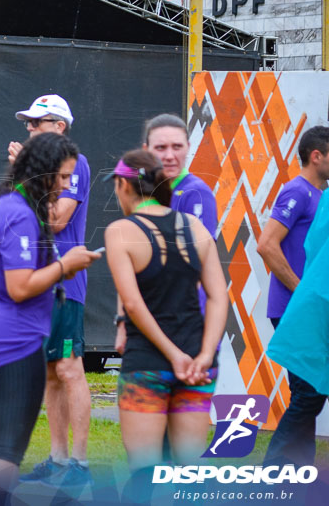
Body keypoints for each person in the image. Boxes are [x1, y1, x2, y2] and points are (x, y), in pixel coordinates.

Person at [0, 132, 99, 493]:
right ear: (45, 172)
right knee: (6, 453)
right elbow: (20, 286)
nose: (69, 186)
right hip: (12, 342)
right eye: (65, 177)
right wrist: (65, 265)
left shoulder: (2, 203)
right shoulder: (20, 213)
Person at [104, 149, 227, 475]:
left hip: (148, 365)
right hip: (197, 365)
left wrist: (173, 356)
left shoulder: (120, 231)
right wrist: (202, 355)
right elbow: (218, 297)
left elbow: (132, 304)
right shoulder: (195, 228)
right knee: (188, 472)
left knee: (145, 474)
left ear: (123, 185)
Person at [6, 95, 94, 487]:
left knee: (69, 368)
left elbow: (57, 220)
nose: (28, 128)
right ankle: (58, 460)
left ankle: (80, 463)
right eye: (28, 122)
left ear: (59, 127)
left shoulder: (74, 164)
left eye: (37, 123)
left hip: (64, 283)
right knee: (48, 373)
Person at [258, 126, 329, 466]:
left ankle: (296, 472)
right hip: (297, 310)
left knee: (311, 393)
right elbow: (266, 244)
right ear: (317, 156)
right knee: (309, 393)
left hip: (316, 312)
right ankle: (275, 471)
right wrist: (303, 291)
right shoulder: (297, 191)